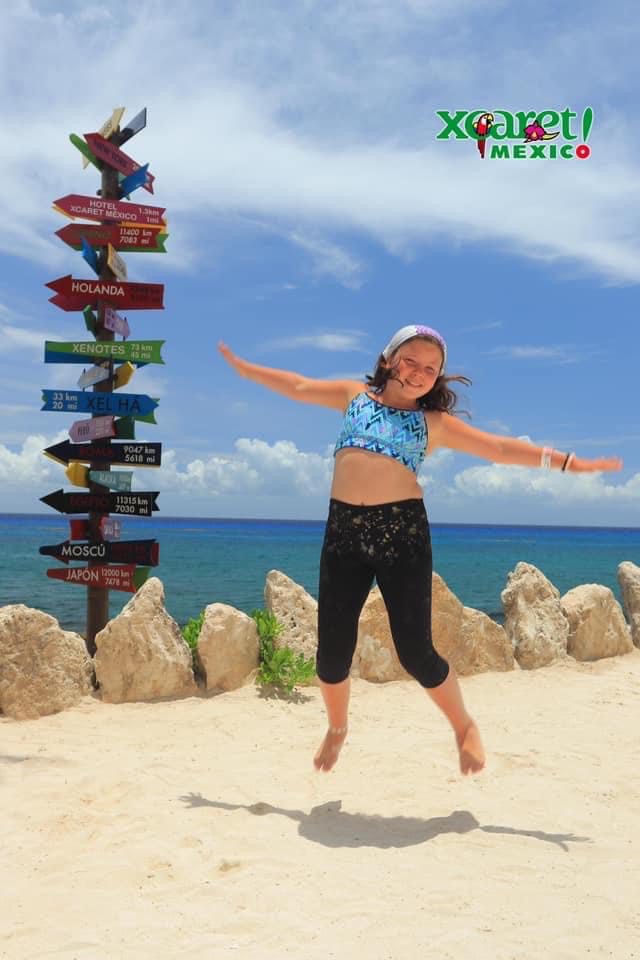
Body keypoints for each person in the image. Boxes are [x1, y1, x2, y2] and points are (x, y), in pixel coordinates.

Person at [218, 325, 622, 776]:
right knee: (331, 656)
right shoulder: (354, 398)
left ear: (437, 380)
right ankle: (337, 727)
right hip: (344, 535)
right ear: (389, 359)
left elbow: (500, 449)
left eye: (431, 369)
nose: (419, 373)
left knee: (416, 653)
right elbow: (297, 385)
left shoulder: (433, 424)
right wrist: (246, 369)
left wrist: (567, 463)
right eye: (411, 360)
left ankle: (464, 725)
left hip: (403, 534)